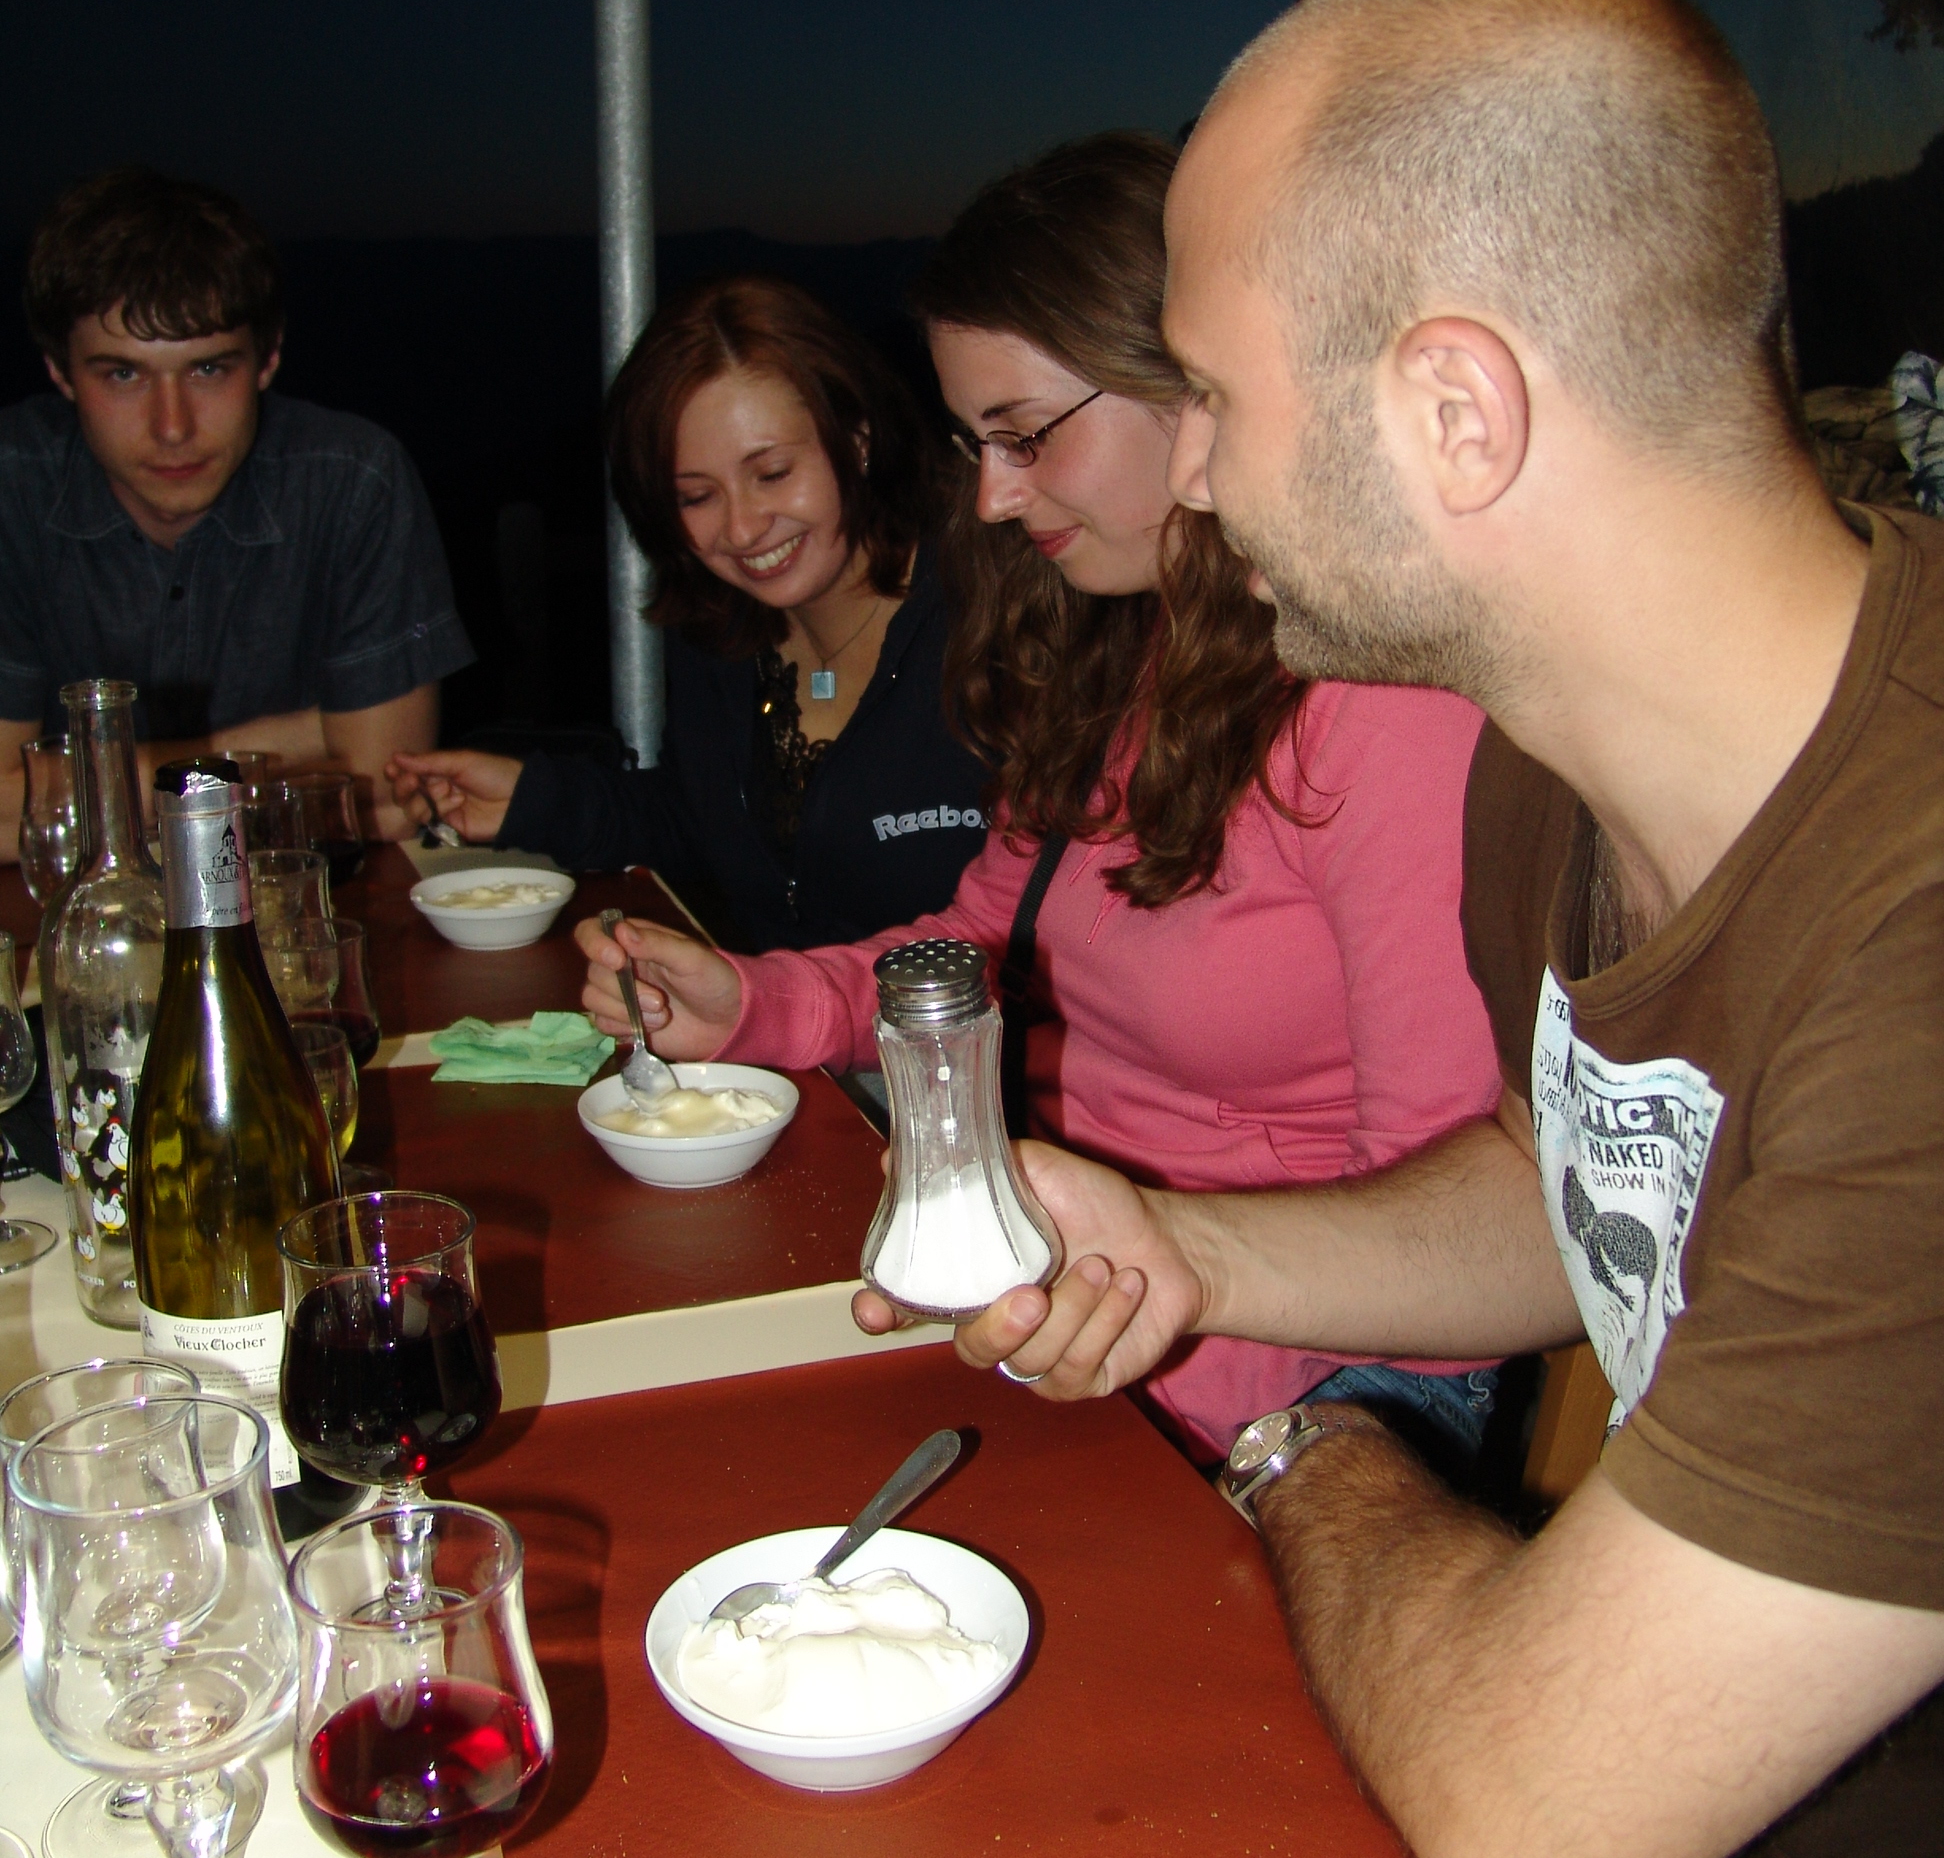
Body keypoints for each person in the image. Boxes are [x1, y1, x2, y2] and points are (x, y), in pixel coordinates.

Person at [908, 0, 1944, 1858]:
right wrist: (1192, 1252)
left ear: (1452, 412)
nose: (1194, 475)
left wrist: (1307, 1443)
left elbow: (1534, 1817)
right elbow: (1569, 1191)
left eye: (1218, 395)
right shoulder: (1554, 761)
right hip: (1698, 1831)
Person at [575, 135, 1504, 1467]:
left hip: (1295, 1392)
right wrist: (750, 1003)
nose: (995, 498)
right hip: (1069, 1315)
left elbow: (1454, 1237)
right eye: (976, 445)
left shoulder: (1387, 707)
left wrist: (1127, 1346)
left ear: (1189, 382)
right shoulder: (1120, 652)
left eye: (1023, 436)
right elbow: (972, 948)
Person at [388, 277, 989, 952]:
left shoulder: (992, 615)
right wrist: (534, 802)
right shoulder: (720, 625)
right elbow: (701, 820)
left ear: (857, 439)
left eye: (773, 473)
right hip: (766, 1017)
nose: (742, 529)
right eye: (697, 497)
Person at [0, 165, 471, 855]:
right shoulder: (13, 486)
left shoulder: (351, 481)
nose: (172, 426)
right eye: (123, 374)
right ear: (58, 372)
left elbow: (379, 802)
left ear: (268, 360)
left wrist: (69, 786)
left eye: (208, 369)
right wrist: (289, 744)